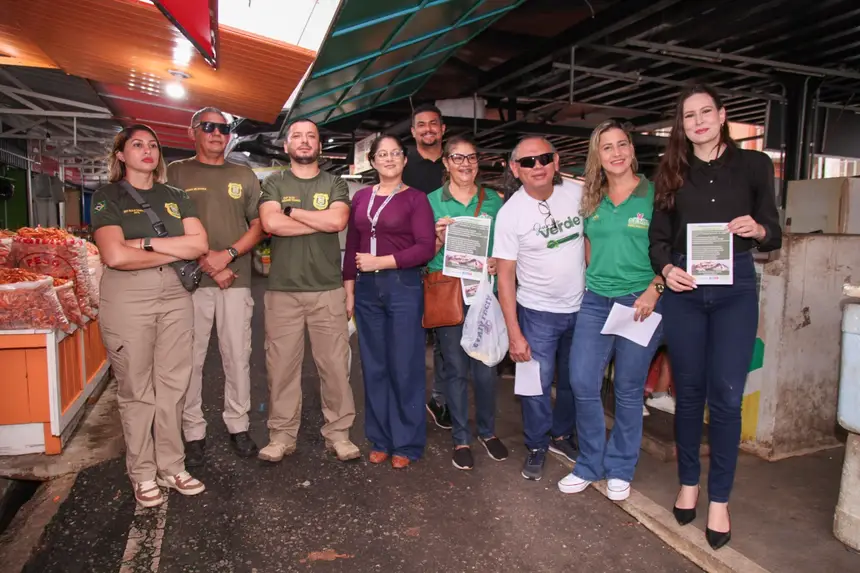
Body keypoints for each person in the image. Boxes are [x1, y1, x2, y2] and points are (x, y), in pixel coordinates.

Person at [650, 84, 781, 550]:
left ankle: (720, 499)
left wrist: (759, 228)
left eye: (707, 111)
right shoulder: (671, 171)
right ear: (681, 124)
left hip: (735, 289)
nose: (699, 121)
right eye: (689, 115)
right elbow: (658, 239)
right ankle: (690, 483)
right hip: (685, 291)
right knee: (688, 395)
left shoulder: (754, 165)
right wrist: (667, 268)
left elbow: (774, 230)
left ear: (722, 115)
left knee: (726, 397)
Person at [91, 124, 208, 507]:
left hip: (175, 296)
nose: (147, 150)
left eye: (153, 145)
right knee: (136, 390)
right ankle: (142, 472)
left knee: (174, 385)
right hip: (128, 299)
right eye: (137, 145)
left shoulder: (176, 196)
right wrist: (176, 250)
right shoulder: (106, 196)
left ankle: (172, 465)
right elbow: (115, 257)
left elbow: (201, 244)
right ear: (121, 155)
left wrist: (143, 242)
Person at [557, 120, 664, 502]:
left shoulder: (655, 194)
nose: (616, 153)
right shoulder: (591, 198)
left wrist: (655, 289)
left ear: (633, 150)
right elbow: (587, 244)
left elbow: (673, 249)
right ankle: (589, 462)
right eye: (607, 147)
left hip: (641, 300)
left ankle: (620, 467)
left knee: (628, 387)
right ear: (597, 156)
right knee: (582, 381)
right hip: (597, 300)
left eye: (622, 144)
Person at [257, 118, 359, 463]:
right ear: (286, 146)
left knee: (334, 366)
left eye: (310, 137)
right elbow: (270, 224)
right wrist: (315, 221)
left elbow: (337, 222)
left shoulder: (335, 182)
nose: (304, 142)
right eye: (297, 137)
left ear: (319, 145)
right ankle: (282, 435)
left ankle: (339, 434)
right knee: (281, 366)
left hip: (327, 290)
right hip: (282, 292)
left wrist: (293, 213)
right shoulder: (273, 181)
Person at [167, 107, 264, 465]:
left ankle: (238, 425)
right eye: (208, 127)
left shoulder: (244, 174)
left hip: (235, 282)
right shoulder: (175, 172)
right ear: (193, 131)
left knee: (237, 356)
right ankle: (193, 432)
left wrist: (230, 254)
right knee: (188, 360)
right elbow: (167, 225)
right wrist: (210, 259)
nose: (216, 133)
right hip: (188, 282)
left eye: (223, 128)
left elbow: (259, 225)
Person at [494, 136, 585, 481]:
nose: (538, 166)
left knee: (576, 381)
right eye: (528, 162)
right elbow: (505, 277)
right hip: (536, 313)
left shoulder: (577, 195)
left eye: (544, 158)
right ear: (515, 169)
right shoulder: (510, 214)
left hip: (582, 309)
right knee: (535, 385)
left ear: (556, 161)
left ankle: (561, 435)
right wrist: (514, 332)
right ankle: (536, 444)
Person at [343, 134, 436, 469]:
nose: (389, 158)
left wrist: (382, 261)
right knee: (374, 366)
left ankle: (407, 443)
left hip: (402, 286)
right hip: (366, 289)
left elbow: (426, 247)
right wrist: (349, 289)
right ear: (373, 161)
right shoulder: (362, 197)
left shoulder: (416, 199)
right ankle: (380, 438)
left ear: (404, 160)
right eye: (382, 154)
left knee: (405, 366)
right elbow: (353, 243)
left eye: (396, 153)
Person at [427, 135, 508, 470]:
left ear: (478, 162)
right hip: (447, 291)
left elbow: (505, 248)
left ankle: (487, 432)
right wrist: (436, 238)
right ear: (446, 163)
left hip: (483, 292)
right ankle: (461, 437)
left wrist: (496, 262)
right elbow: (421, 254)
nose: (465, 164)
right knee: (457, 369)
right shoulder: (430, 201)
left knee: (487, 368)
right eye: (457, 158)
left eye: (471, 158)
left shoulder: (494, 201)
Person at [401, 103, 451, 431]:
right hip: (411, 261)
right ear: (413, 131)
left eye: (434, 124)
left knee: (447, 336)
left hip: (449, 262)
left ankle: (440, 399)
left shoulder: (453, 163)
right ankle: (408, 401)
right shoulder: (402, 164)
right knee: (411, 338)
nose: (428, 129)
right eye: (422, 125)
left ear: (443, 129)